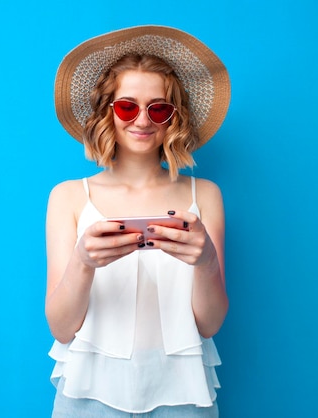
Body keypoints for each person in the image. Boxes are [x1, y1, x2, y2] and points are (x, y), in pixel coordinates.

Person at [45, 25, 231, 417]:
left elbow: (210, 324)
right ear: (107, 112)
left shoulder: (206, 196)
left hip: (183, 392)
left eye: (158, 108)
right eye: (127, 106)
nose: (142, 121)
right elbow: (61, 329)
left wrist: (206, 261)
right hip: (91, 391)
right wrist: (83, 262)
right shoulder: (68, 197)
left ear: (173, 117)